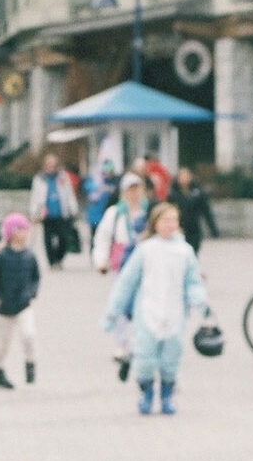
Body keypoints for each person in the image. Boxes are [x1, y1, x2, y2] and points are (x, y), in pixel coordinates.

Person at [103, 201, 209, 416]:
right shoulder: (145, 250)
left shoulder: (185, 252)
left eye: (173, 220)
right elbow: (126, 282)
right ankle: (147, 393)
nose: (169, 225)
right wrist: (113, 312)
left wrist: (200, 302)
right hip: (148, 310)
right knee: (144, 357)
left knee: (171, 357)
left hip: (175, 312)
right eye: (165, 220)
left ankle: (167, 395)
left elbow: (193, 282)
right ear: (155, 223)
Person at [91, 172, 152, 380]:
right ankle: (122, 344)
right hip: (123, 262)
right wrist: (100, 260)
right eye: (130, 189)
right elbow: (102, 237)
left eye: (138, 188)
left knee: (145, 304)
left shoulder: (150, 211)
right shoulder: (115, 213)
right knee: (121, 302)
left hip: (147, 263)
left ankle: (143, 342)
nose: (134, 193)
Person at [0, 212, 40, 388]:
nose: (24, 234)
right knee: (3, 343)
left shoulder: (29, 256)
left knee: (29, 334)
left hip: (23, 303)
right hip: (5, 307)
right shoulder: (1, 257)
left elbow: (35, 276)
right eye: (20, 230)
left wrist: (32, 292)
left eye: (25, 230)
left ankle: (30, 363)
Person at [28, 152, 79, 270]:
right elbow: (35, 197)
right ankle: (52, 262)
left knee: (63, 238)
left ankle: (59, 258)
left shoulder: (63, 177)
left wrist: (73, 209)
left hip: (61, 212)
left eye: (53, 165)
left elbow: (69, 194)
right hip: (46, 213)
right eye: (49, 165)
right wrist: (34, 213)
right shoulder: (39, 179)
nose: (51, 168)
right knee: (48, 239)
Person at [169, 166, 219, 254]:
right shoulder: (172, 194)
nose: (184, 179)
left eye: (186, 176)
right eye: (181, 176)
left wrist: (213, 229)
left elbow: (206, 212)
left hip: (194, 229)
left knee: (192, 252)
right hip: (179, 228)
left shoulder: (198, 193)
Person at [82, 159, 119, 247]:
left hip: (108, 215)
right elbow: (90, 194)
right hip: (96, 217)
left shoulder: (114, 182)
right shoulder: (94, 181)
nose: (107, 174)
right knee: (95, 237)